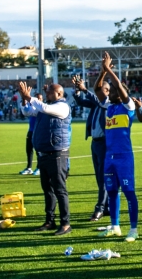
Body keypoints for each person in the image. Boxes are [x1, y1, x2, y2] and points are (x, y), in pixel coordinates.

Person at [94, 52, 139, 241]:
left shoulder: (128, 107)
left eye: (111, 91)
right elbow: (97, 89)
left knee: (129, 193)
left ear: (120, 94)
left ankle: (133, 229)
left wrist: (110, 69)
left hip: (124, 157)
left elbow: (119, 87)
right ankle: (115, 225)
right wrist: (103, 71)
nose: (108, 93)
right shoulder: (109, 107)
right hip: (109, 157)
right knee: (112, 192)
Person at [19, 79, 73, 236]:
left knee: (59, 190)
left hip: (57, 154)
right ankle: (50, 220)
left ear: (59, 93)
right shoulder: (47, 107)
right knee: (47, 189)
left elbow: (44, 107)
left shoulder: (62, 106)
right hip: (44, 154)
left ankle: (65, 223)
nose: (46, 93)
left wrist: (29, 97)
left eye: (49, 91)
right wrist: (24, 98)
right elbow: (27, 112)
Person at [72, 74, 110, 221]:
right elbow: (80, 101)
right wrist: (77, 91)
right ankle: (106, 206)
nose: (99, 94)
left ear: (107, 91)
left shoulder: (108, 103)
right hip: (95, 142)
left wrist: (85, 89)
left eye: (102, 90)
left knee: (103, 177)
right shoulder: (97, 103)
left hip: (104, 143)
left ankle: (100, 208)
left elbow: (94, 98)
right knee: (99, 177)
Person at [20, 94, 39, 175]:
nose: (39, 100)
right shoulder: (32, 108)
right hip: (30, 131)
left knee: (39, 151)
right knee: (29, 150)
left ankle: (39, 167)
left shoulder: (42, 109)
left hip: (38, 132)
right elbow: (25, 109)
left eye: (40, 98)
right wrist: (24, 98)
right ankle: (29, 168)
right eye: (37, 98)